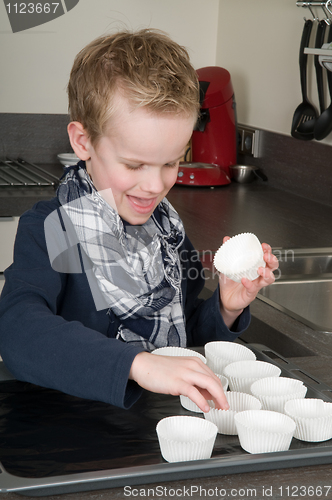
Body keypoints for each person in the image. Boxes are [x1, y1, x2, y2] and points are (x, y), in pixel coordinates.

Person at [0, 29, 278, 413]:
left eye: (170, 162)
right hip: (74, 436)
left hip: (152, 431)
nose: (154, 186)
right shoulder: (55, 229)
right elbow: (18, 331)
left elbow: (183, 337)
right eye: (134, 164)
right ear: (83, 142)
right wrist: (136, 364)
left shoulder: (164, 230)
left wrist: (226, 308)